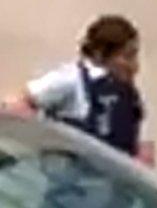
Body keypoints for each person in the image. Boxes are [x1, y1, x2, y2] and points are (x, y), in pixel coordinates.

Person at [2, 15, 145, 157]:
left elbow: (138, 147)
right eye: (127, 57)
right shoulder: (71, 79)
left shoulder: (127, 95)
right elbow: (20, 103)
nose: (134, 66)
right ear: (100, 54)